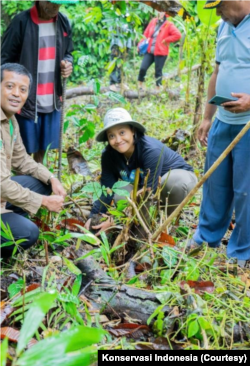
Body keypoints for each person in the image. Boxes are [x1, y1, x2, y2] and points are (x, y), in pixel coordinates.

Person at [191, 0, 250, 267]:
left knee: (245, 191)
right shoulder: (222, 28)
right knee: (215, 184)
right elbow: (217, 71)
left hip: (248, 124)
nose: (217, 12)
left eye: (219, 5)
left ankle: (240, 252)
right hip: (223, 121)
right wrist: (207, 115)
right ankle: (205, 239)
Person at [85, 108, 197, 235]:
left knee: (173, 183)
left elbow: (148, 194)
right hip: (144, 188)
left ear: (132, 130)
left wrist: (115, 220)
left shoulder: (150, 150)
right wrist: (93, 216)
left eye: (122, 133)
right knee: (120, 194)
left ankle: (169, 225)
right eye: (112, 136)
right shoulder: (108, 156)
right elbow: (107, 189)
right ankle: (146, 223)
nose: (118, 140)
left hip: (177, 181)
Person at [0, 63, 66, 257]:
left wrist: (51, 178)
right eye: (9, 86)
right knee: (28, 233)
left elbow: (22, 161)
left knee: (41, 182)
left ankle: (10, 216)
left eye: (22, 89)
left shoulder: (10, 121)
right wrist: (44, 202)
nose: (16, 94)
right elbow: (2, 185)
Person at [0, 0, 77, 163]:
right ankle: (21, 184)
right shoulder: (21, 22)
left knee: (44, 147)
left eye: (59, 4)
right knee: (24, 148)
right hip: (26, 100)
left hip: (52, 99)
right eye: (52, 2)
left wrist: (68, 63)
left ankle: (40, 181)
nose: (56, 7)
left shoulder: (63, 23)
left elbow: (68, 52)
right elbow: (4, 60)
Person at [137, 12, 181, 91]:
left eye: (161, 12)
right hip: (150, 51)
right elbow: (146, 34)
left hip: (161, 52)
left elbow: (178, 35)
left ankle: (157, 88)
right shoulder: (153, 21)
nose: (159, 13)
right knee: (143, 68)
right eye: (158, 12)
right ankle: (140, 85)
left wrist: (166, 40)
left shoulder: (168, 24)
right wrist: (140, 44)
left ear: (165, 14)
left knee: (158, 71)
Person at [109, 22, 132, 92]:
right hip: (115, 44)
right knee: (113, 64)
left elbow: (129, 33)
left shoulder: (127, 17)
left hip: (124, 45)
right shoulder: (115, 16)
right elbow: (111, 32)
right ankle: (112, 83)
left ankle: (120, 82)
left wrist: (128, 47)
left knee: (121, 65)